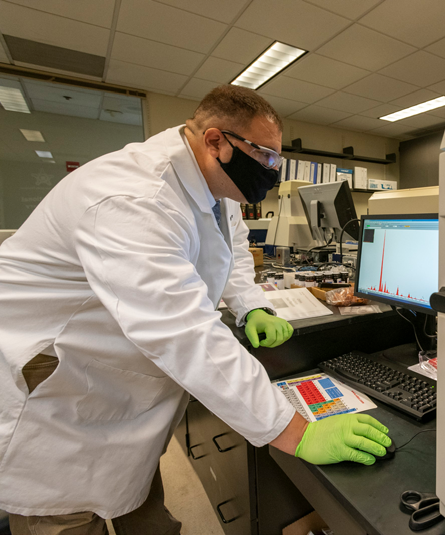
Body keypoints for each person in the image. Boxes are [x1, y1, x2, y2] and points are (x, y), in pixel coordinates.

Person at [0, 85, 391, 535]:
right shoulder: (134, 197)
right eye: (265, 156)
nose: (272, 170)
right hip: (58, 373)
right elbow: (183, 331)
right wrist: (294, 431)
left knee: (136, 495)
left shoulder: (213, 186)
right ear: (216, 142)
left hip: (118, 370)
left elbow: (232, 252)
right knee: (64, 513)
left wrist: (251, 306)